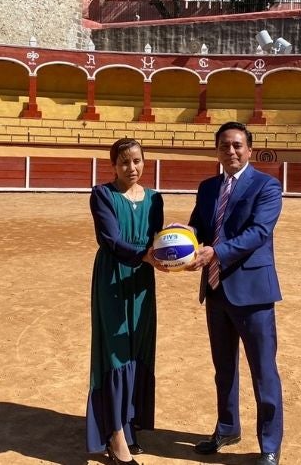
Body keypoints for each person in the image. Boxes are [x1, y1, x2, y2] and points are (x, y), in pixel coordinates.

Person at [186, 121, 284, 465]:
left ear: (249, 149)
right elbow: (198, 224)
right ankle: (227, 428)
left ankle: (269, 445)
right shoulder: (208, 186)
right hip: (215, 289)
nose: (231, 151)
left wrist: (217, 252)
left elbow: (259, 232)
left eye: (237, 145)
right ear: (217, 150)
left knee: (263, 370)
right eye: (225, 145)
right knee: (223, 367)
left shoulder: (267, 186)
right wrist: (183, 242)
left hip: (253, 292)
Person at [86, 138, 164, 465]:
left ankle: (130, 424)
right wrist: (146, 255)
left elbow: (159, 240)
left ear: (144, 162)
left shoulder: (156, 199)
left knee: (139, 347)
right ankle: (115, 435)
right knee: (116, 352)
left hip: (142, 282)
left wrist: (176, 254)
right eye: (123, 162)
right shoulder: (102, 195)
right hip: (113, 278)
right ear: (113, 165)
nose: (131, 168)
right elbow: (110, 239)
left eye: (136, 161)